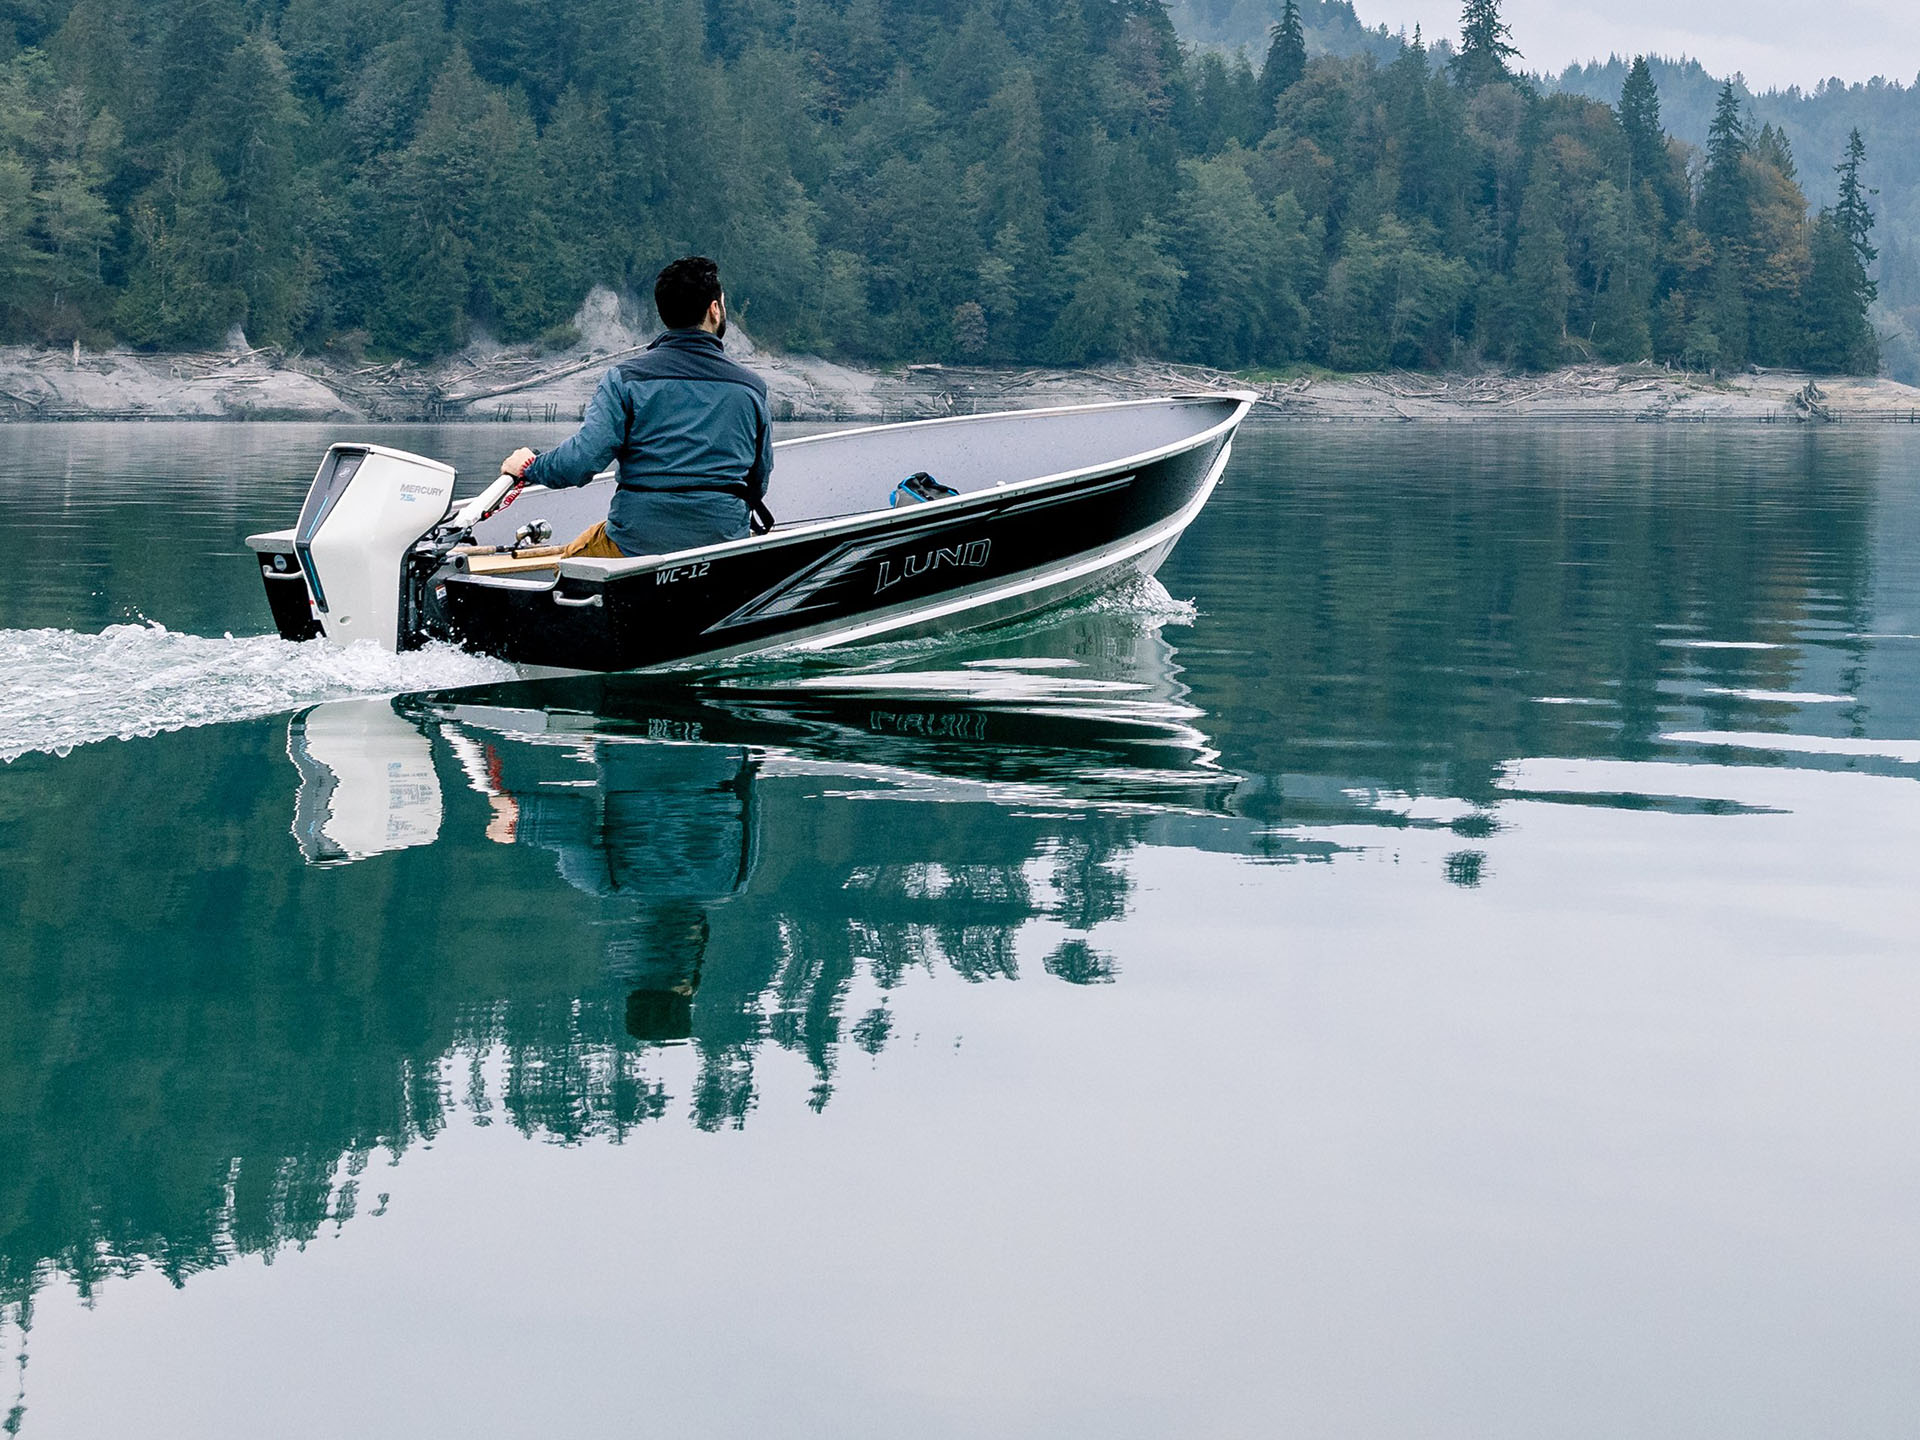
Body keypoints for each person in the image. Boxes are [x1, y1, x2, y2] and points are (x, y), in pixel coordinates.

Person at [500, 256, 774, 558]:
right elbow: (758, 481)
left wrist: (530, 466)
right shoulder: (752, 388)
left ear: (664, 312)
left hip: (636, 542)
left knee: (566, 564)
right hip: (724, 541)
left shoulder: (625, 378)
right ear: (714, 310)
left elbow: (580, 462)